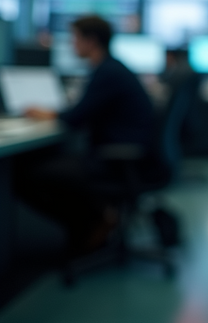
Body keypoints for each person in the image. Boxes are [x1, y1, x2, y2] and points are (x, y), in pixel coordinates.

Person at [18, 15, 157, 254]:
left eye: (75, 38)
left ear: (91, 41)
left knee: (25, 177)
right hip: (127, 154)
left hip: (118, 159)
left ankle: (95, 222)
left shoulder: (107, 72)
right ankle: (94, 222)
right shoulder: (112, 67)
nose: (72, 45)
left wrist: (43, 113)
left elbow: (74, 119)